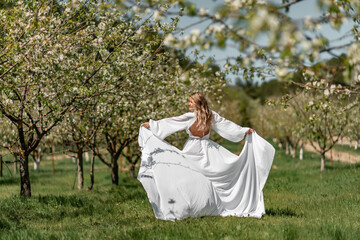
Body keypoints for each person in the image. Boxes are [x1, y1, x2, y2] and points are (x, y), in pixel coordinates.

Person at [138, 92, 275, 221]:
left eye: (191, 102)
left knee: (200, 177)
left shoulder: (207, 116)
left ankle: (207, 206)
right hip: (206, 150)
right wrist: (152, 125)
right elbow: (172, 122)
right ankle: (196, 206)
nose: (189, 105)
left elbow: (225, 125)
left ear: (197, 103)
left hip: (196, 149)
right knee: (196, 177)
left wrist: (244, 131)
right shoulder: (208, 115)